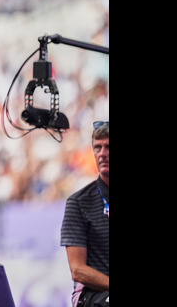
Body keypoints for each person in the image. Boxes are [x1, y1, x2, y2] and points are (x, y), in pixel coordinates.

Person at [60, 120, 109, 306]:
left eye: (108, 147)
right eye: (97, 148)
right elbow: (78, 270)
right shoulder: (79, 202)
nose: (102, 154)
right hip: (93, 295)